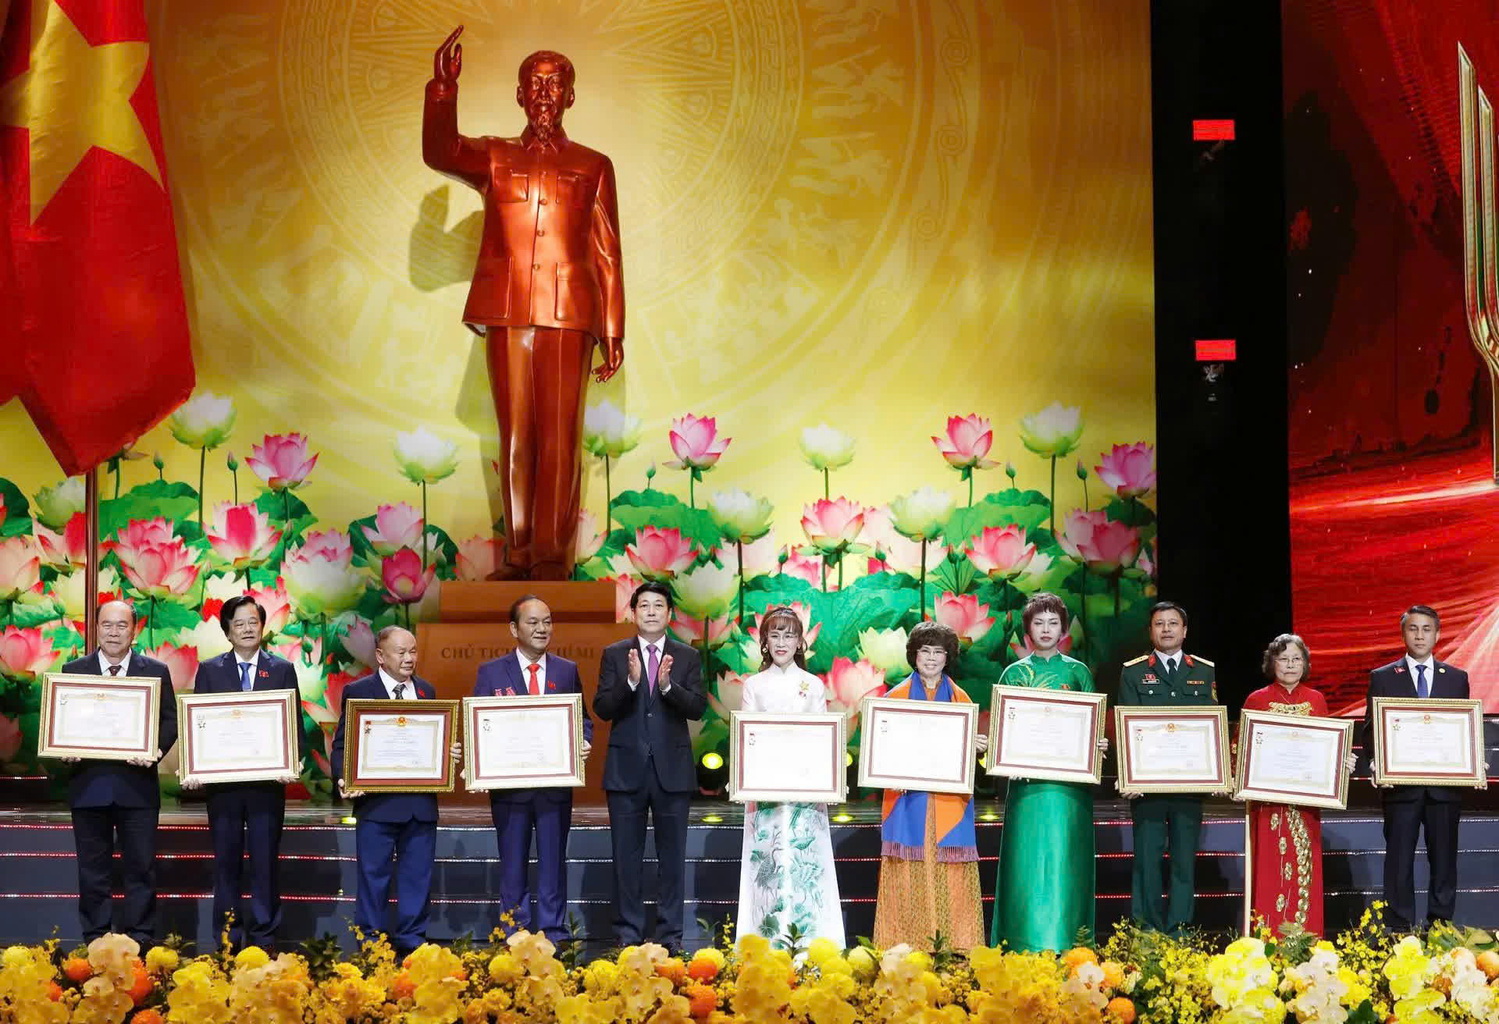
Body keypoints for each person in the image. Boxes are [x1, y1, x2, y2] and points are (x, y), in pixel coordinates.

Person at [423, 27, 624, 581]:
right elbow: (441, 151)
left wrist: (613, 329)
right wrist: (443, 91)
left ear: (570, 96)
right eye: (533, 85)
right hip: (508, 310)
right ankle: (518, 553)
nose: (543, 94)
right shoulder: (494, 156)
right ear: (518, 95)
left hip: (570, 314)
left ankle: (552, 556)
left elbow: (607, 250)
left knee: (560, 437)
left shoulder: (593, 164)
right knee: (515, 436)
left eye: (554, 85)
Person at [330, 626, 459, 957]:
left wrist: (448, 752)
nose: (409, 658)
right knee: (373, 878)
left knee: (417, 878)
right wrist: (344, 777)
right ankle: (371, 944)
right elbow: (343, 744)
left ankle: (412, 942)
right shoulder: (359, 691)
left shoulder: (427, 690)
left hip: (420, 804)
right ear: (380, 655)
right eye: (401, 652)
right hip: (376, 804)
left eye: (413, 651)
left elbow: (434, 739)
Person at [472, 595, 594, 943]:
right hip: (510, 790)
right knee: (512, 865)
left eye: (547, 621)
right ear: (514, 629)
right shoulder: (491, 672)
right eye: (533, 622)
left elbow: (583, 719)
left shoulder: (566, 670)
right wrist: (481, 761)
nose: (542, 629)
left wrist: (584, 741)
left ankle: (553, 932)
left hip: (554, 787)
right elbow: (479, 724)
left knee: (553, 863)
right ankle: (515, 931)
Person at [991, 592, 1107, 952]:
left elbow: (1091, 725)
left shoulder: (1077, 672)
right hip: (1027, 789)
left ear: (1063, 629)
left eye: (1053, 622)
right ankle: (1018, 941)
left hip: (1069, 789)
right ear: (1027, 629)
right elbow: (1003, 729)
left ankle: (1072, 944)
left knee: (1065, 862)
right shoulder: (1014, 674)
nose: (1045, 629)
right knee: (1025, 863)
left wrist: (1097, 743)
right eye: (1038, 622)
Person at [186, 594, 302, 952]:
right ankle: (228, 938)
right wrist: (195, 764)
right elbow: (199, 724)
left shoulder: (281, 669)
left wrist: (291, 761)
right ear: (227, 631)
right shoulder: (210, 670)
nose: (248, 629)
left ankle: (265, 938)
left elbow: (293, 724)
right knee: (227, 863)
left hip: (267, 786)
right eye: (239, 624)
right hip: (224, 787)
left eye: (253, 622)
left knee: (265, 862)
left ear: (262, 627)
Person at [594, 581, 705, 953]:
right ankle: (628, 933)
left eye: (659, 605)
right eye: (644, 605)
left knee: (672, 859)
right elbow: (602, 708)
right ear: (633, 612)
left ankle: (670, 935)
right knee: (626, 859)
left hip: (672, 772)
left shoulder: (687, 656)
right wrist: (631, 682)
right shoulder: (615, 654)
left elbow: (697, 708)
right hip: (626, 771)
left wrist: (669, 687)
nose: (652, 611)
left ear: (670, 613)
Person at [59, 599, 177, 946]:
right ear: (96, 628)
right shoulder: (74, 670)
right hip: (89, 786)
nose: (113, 632)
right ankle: (96, 939)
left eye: (122, 625)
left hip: (137, 788)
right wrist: (62, 747)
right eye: (107, 625)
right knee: (92, 871)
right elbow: (62, 721)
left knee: (140, 869)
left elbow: (169, 720)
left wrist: (154, 751)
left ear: (134, 630)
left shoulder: (155, 670)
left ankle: (140, 938)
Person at [735, 606, 845, 949]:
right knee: (767, 862)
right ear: (765, 642)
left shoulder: (812, 685)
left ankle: (812, 943)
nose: (782, 642)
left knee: (805, 862)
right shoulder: (754, 685)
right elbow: (748, 737)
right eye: (775, 635)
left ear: (800, 642)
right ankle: (765, 943)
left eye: (789, 635)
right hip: (766, 786)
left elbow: (822, 737)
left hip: (805, 787)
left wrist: (824, 777)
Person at [872, 620, 986, 950]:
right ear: (914, 655)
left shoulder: (961, 699)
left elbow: (964, 754)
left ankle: (957, 946)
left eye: (939, 652)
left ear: (948, 657)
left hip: (947, 800)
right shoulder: (895, 698)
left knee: (950, 870)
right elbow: (882, 750)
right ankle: (903, 945)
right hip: (908, 800)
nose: (932, 658)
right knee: (909, 869)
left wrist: (975, 746)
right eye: (925, 651)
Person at [1364, 605, 1472, 931]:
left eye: (1427, 629)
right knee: (1398, 862)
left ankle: (1440, 929)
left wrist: (1471, 760)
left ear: (1437, 635)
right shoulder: (1383, 677)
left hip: (1444, 789)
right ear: (1403, 634)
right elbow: (1371, 728)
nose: (1420, 635)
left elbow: (1464, 728)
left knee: (1444, 862)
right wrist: (1377, 762)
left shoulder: (1457, 679)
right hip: (1400, 787)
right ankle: (1399, 931)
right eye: (1413, 629)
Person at [1241, 633, 1354, 936]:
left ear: (1305, 664)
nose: (1290, 665)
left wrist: (1341, 762)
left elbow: (1325, 748)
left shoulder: (1316, 699)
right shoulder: (1257, 700)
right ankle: (1269, 938)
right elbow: (1243, 748)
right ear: (1272, 663)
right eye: (1283, 659)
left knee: (1304, 869)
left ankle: (1305, 939)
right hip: (1268, 804)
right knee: (1270, 868)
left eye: (1296, 659)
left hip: (1306, 801)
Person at [1117, 601, 1218, 934]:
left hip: (1189, 784)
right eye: (1159, 624)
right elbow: (1125, 727)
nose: (1166, 629)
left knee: (1184, 860)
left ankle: (1180, 927)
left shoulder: (1203, 671)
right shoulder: (1133, 672)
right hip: (1147, 784)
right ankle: (1146, 927)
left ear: (1184, 630)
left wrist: (1217, 772)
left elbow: (1211, 726)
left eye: (1173, 623)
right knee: (1147, 859)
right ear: (1150, 631)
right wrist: (1128, 774)